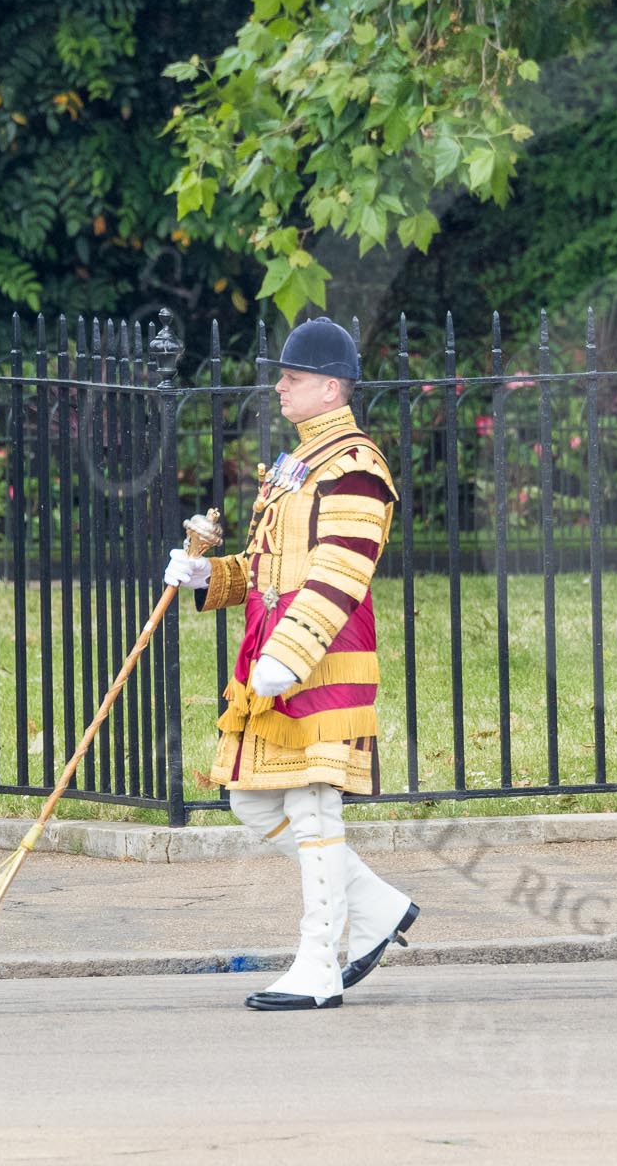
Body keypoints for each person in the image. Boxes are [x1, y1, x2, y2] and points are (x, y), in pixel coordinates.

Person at [163, 317, 418, 1011]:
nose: (279, 387)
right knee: (251, 799)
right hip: (276, 655)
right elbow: (270, 566)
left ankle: (319, 960)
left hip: (321, 655)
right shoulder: (297, 463)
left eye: (293, 378)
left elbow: (340, 574)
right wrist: (207, 577)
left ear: (331, 387)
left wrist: (288, 655)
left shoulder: (356, 468)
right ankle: (379, 908)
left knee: (311, 802)